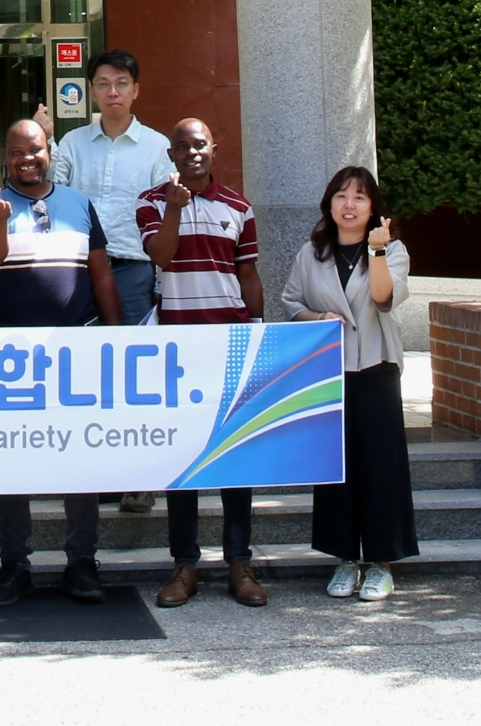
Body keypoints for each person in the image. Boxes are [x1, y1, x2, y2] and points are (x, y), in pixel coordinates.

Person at [0, 118, 122, 608]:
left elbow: (100, 275)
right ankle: (14, 565)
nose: (26, 159)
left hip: (74, 352)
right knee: (12, 465)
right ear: (5, 157)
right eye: (16, 152)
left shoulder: (79, 205)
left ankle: (81, 562)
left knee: (80, 461)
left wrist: (116, 337)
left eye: (34, 150)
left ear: (49, 150)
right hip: (9, 361)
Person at [141, 117, 267, 609]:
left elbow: (248, 272)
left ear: (214, 148)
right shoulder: (152, 201)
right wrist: (176, 209)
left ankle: (240, 563)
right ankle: (184, 565)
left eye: (200, 145)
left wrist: (258, 330)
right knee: (184, 458)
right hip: (177, 351)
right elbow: (162, 256)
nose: (192, 153)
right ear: (170, 154)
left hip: (230, 344)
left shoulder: (238, 206)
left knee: (237, 457)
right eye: (182, 147)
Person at [283, 165, 418, 602]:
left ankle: (381, 563)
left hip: (375, 365)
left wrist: (376, 253)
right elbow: (292, 302)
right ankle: (343, 559)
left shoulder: (392, 250)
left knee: (381, 465)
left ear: (373, 206)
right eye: (342, 196)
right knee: (336, 467)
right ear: (330, 203)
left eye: (359, 197)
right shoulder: (312, 253)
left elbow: (383, 298)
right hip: (329, 369)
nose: (349, 205)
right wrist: (318, 318)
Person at [48, 49, 174, 327]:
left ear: (136, 90)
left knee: (133, 354)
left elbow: (167, 217)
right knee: (78, 352)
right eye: (104, 84)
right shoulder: (72, 142)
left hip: (133, 270)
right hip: (78, 270)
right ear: (92, 92)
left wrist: (160, 282)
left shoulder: (157, 147)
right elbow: (53, 195)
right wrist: (45, 142)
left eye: (121, 83)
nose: (113, 92)